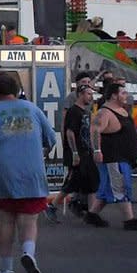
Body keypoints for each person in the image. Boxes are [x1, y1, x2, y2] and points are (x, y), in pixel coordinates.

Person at [0, 70, 55, 273]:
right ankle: (28, 252)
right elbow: (51, 139)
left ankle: (7, 270)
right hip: (31, 172)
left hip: (1, 173)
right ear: (17, 89)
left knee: (6, 219)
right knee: (29, 219)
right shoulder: (33, 109)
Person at [84, 82, 137, 230]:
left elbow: (130, 129)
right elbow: (94, 130)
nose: (126, 96)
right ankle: (129, 220)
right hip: (114, 158)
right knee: (121, 187)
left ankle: (92, 215)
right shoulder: (104, 113)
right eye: (123, 93)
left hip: (123, 158)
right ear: (114, 95)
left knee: (108, 188)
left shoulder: (122, 110)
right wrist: (97, 151)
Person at [45, 82, 97, 222]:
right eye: (88, 94)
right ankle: (53, 205)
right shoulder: (74, 111)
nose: (90, 97)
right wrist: (74, 152)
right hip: (78, 153)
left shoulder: (85, 111)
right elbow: (70, 132)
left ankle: (91, 213)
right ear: (80, 94)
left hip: (86, 151)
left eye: (91, 94)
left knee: (91, 181)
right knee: (73, 181)